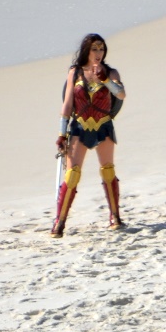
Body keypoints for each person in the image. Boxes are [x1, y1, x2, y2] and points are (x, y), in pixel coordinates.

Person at [53, 32, 128, 236]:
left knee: (108, 170)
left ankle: (115, 215)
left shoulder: (111, 73)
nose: (98, 53)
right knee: (72, 173)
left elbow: (121, 94)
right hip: (79, 127)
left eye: (101, 49)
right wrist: (62, 133)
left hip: (103, 126)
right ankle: (60, 221)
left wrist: (105, 80)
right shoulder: (75, 73)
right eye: (94, 49)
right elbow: (67, 103)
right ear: (87, 50)